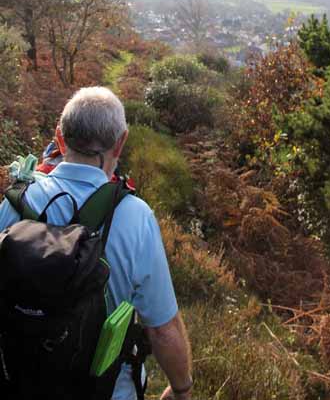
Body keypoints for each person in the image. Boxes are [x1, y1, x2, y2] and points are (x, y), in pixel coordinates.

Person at [0, 86, 193, 400]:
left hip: (20, 381)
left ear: (60, 139)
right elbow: (162, 329)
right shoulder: (136, 217)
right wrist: (182, 389)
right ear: (120, 143)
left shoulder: (16, 202)